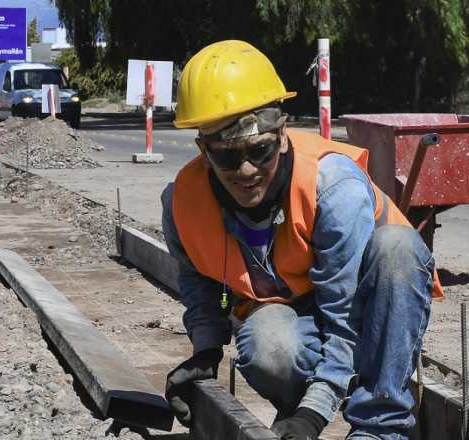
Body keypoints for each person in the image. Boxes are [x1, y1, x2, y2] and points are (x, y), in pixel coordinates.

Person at [161, 40, 443, 440]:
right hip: (298, 311)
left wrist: (315, 414)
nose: (245, 170)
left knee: (396, 247)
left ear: (282, 135)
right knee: (268, 346)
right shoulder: (181, 203)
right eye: (226, 156)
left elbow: (344, 320)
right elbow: (197, 285)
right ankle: (298, 411)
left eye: (259, 150)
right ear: (203, 152)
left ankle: (381, 426)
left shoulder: (331, 187)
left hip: (368, 308)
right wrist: (205, 352)